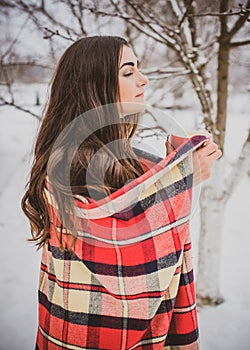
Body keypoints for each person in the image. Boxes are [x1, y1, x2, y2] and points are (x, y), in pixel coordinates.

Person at [22, 36, 222, 350]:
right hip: (94, 332)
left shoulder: (111, 155)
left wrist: (172, 168)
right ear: (95, 86)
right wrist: (182, 176)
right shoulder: (74, 161)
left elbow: (133, 201)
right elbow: (122, 247)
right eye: (128, 72)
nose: (144, 79)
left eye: (138, 69)